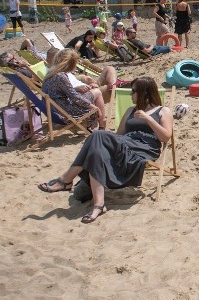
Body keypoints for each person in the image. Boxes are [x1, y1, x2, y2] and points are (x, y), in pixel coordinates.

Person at [37, 76, 173, 224]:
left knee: (98, 134)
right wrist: (107, 144)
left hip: (142, 149)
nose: (130, 94)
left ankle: (65, 180)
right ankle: (98, 205)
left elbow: (165, 137)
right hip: (124, 145)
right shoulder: (130, 111)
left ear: (144, 93)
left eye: (133, 91)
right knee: (98, 148)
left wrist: (149, 119)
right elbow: (119, 136)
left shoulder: (163, 111)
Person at [40, 49, 101, 130]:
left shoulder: (51, 73)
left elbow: (62, 93)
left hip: (53, 111)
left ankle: (95, 123)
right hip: (65, 113)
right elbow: (75, 97)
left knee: (89, 94)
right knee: (97, 92)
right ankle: (101, 124)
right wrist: (93, 107)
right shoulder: (60, 76)